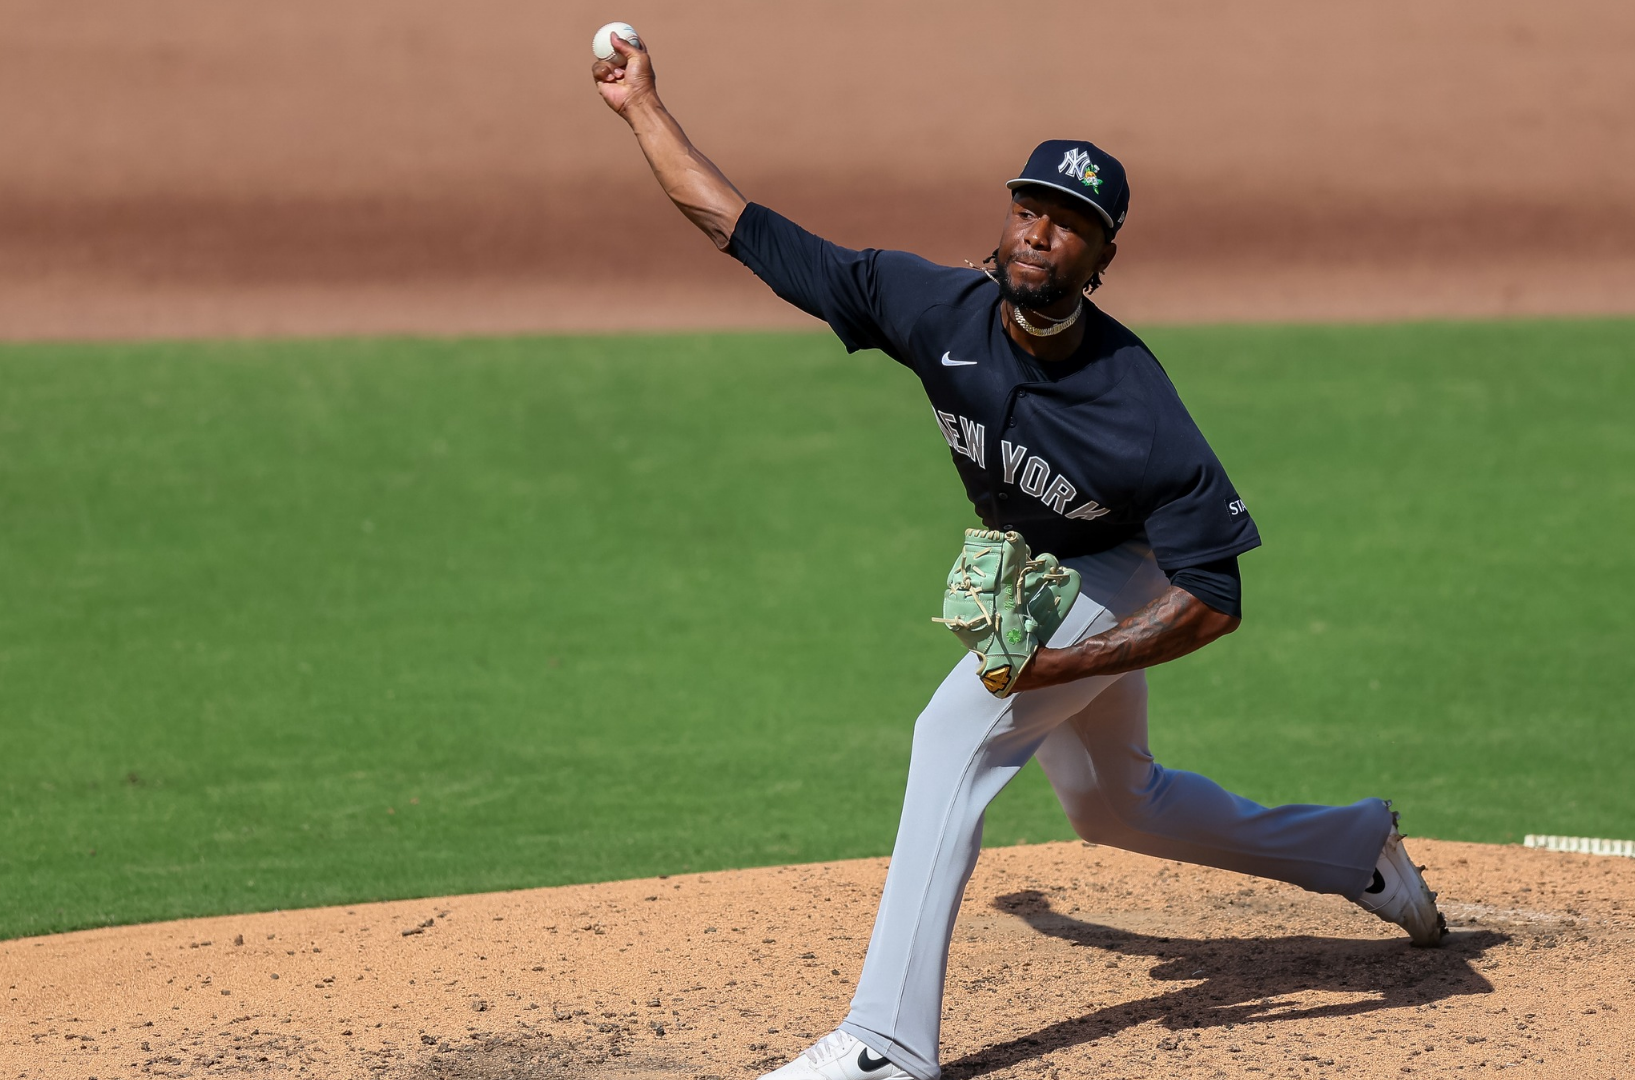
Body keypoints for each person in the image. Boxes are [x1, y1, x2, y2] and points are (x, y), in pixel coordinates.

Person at [593, 32, 1446, 1080]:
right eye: (1031, 209)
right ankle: (1352, 846)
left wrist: (1066, 665)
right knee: (1114, 804)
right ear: (1006, 221)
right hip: (1035, 569)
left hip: (1120, 574)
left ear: (1103, 256)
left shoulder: (1137, 410)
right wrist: (642, 108)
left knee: (951, 731)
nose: (1042, 233)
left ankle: (886, 1043)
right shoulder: (933, 308)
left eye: (1072, 224)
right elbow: (740, 225)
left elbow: (1214, 597)